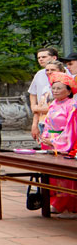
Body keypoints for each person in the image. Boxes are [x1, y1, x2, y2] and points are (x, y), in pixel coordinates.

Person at [38, 73, 77, 214]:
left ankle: (68, 206)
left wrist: (55, 141)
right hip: (50, 142)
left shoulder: (72, 106)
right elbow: (47, 122)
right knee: (52, 175)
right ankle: (54, 202)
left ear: (69, 90)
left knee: (65, 177)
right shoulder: (53, 104)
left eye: (59, 88)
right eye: (53, 88)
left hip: (64, 143)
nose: (55, 91)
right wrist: (45, 137)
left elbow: (71, 129)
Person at [31, 60, 65, 139]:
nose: (49, 72)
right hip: (42, 123)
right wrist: (34, 125)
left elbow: (60, 109)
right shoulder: (46, 88)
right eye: (47, 70)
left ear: (61, 71)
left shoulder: (65, 88)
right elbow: (40, 105)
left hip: (57, 127)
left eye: (53, 70)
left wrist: (36, 108)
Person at [29, 47, 59, 123]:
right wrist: (33, 107)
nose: (41, 59)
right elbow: (33, 93)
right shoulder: (39, 74)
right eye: (39, 58)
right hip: (42, 118)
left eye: (44, 57)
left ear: (54, 58)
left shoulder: (67, 73)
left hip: (60, 116)